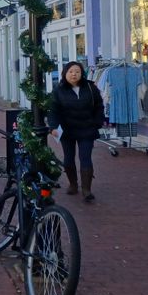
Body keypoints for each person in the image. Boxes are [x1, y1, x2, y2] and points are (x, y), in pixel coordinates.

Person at [47, 61, 105, 202]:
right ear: (65, 73)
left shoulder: (90, 88)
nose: (74, 74)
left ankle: (86, 190)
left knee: (85, 157)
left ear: (82, 73)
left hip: (87, 129)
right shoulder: (58, 90)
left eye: (77, 72)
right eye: (71, 71)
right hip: (67, 130)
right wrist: (54, 127)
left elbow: (99, 106)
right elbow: (53, 111)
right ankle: (73, 184)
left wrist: (97, 122)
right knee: (68, 158)